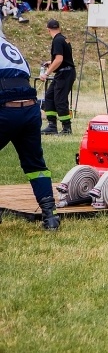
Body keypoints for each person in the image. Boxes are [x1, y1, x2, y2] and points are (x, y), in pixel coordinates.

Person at [0, 19, 61, 229]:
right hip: (30, 111)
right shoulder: (11, 48)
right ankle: (50, 216)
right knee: (35, 165)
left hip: (5, 110)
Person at [40, 19, 75, 135]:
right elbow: (64, 58)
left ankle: (66, 128)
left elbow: (59, 59)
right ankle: (52, 126)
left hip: (65, 73)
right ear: (59, 28)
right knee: (49, 96)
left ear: (48, 30)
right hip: (64, 72)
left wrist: (46, 73)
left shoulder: (57, 40)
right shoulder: (64, 39)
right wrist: (51, 62)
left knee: (60, 100)